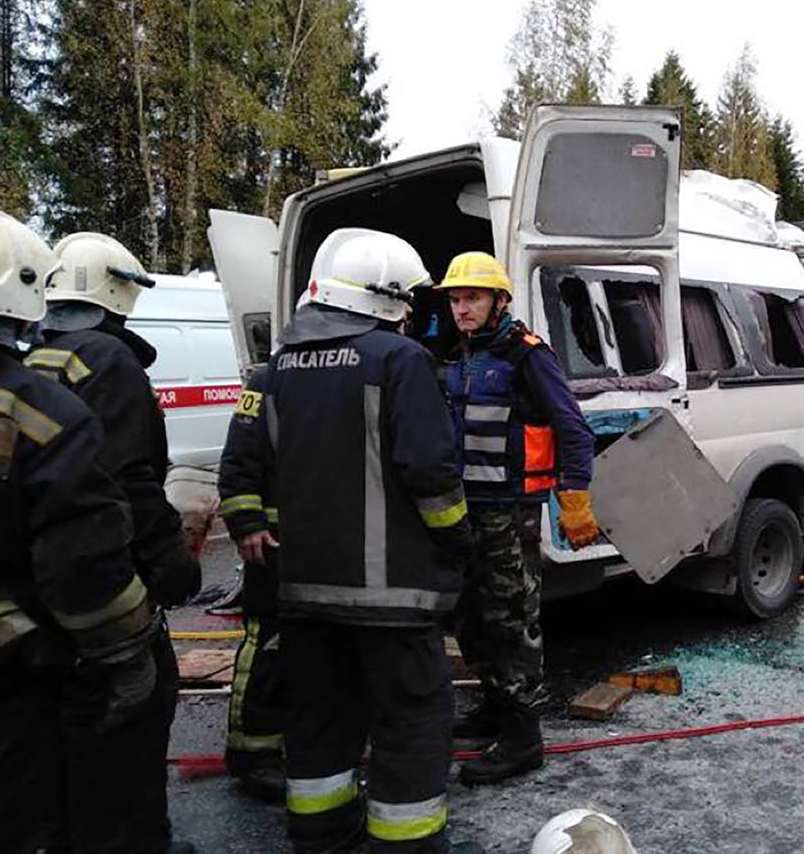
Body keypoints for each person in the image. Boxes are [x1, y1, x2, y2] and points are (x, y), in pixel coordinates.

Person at [230, 228, 479, 852]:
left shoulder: (274, 370)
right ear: (388, 298)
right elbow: (431, 474)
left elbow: (245, 461)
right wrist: (458, 546)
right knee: (410, 722)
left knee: (317, 722)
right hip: (393, 598)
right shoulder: (399, 361)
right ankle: (406, 842)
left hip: (304, 594)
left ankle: (321, 836)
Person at [0, 214, 189, 854]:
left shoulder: (42, 358)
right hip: (78, 614)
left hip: (25, 620)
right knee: (125, 740)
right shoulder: (108, 361)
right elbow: (126, 488)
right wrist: (168, 575)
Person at [435, 251, 599, 785]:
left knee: (511, 622)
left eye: (472, 298)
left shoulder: (528, 356)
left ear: (499, 301)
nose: (462, 309)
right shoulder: (456, 356)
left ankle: (523, 737)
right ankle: (493, 708)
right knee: (470, 619)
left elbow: (573, 429)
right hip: (464, 512)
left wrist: (573, 499)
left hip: (509, 512)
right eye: (455, 299)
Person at [217, 365, 287, 801]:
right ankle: (252, 753)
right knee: (268, 646)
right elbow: (239, 458)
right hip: (276, 544)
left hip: (334, 545)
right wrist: (246, 522)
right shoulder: (266, 381)